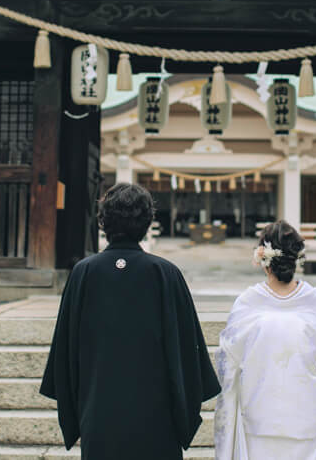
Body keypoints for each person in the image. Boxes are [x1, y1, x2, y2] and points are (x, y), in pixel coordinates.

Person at [41, 182, 221, 459]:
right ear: (147, 222)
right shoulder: (165, 273)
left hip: (98, 409)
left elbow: (66, 350)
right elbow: (187, 350)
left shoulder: (83, 273)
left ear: (103, 221)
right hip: (156, 415)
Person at [213, 220, 316, 459]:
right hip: (307, 416)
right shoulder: (315, 302)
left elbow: (227, 366)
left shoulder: (248, 303)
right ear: (297, 261)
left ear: (263, 260)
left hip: (259, 416)